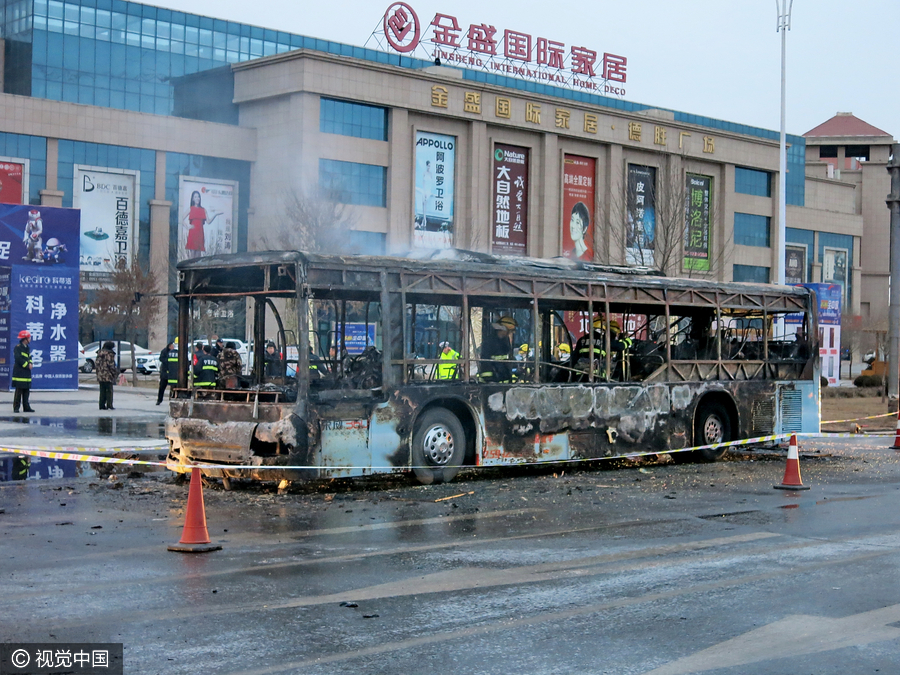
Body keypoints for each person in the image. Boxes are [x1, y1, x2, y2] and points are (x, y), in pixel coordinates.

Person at [182, 190, 221, 259]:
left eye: (198, 197)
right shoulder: (190, 209)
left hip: (200, 234)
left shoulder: (203, 210)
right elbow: (181, 219)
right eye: (195, 197)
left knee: (198, 256)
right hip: (193, 233)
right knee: (192, 256)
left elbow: (208, 222)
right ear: (193, 199)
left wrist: (215, 215)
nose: (197, 198)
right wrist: (187, 226)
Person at [479, 315, 517, 382]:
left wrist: (515, 371)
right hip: (491, 382)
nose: (509, 334)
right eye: (509, 331)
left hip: (503, 380)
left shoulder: (505, 341)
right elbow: (485, 362)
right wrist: (489, 380)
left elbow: (507, 359)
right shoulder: (489, 341)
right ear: (503, 328)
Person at [12, 330, 34, 413]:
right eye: (29, 338)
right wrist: (26, 365)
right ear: (25, 339)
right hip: (19, 372)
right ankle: (16, 407)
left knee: (26, 390)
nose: (30, 339)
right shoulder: (18, 348)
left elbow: (29, 357)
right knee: (19, 391)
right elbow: (18, 359)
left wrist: (31, 363)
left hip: (26, 373)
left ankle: (26, 407)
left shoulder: (27, 348)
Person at [96, 341, 118, 410]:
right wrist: (115, 373)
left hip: (100, 375)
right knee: (109, 390)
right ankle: (109, 405)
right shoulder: (109, 354)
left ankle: (101, 405)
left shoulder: (99, 354)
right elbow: (111, 365)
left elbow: (96, 364)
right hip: (108, 375)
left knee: (102, 390)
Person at [157, 338, 175, 405]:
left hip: (171, 372)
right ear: (169, 346)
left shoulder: (174, 352)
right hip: (165, 372)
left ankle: (172, 399)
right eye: (171, 346)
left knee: (173, 387)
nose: (172, 347)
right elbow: (161, 359)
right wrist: (167, 362)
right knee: (162, 387)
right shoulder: (164, 351)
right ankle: (159, 400)